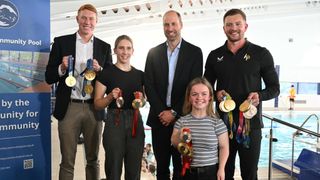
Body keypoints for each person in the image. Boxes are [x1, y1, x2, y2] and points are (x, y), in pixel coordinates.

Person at [204, 8, 280, 180]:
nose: (233, 28)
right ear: (224, 28)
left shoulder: (261, 53)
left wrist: (259, 96)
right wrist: (215, 93)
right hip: (223, 127)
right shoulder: (214, 55)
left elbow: (274, 88)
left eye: (238, 24)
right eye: (229, 25)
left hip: (250, 126)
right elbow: (205, 88)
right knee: (223, 173)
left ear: (245, 26)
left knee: (249, 174)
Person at [45, 4, 112, 180]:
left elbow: (111, 81)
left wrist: (101, 70)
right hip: (69, 107)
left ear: (96, 22)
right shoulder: (61, 42)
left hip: (94, 108)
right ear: (77, 19)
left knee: (93, 159)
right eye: (83, 18)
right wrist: (61, 67)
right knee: (67, 161)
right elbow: (49, 76)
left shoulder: (105, 47)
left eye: (91, 19)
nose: (87, 22)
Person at [144, 10, 203, 180]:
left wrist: (174, 112)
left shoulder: (194, 52)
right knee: (161, 167)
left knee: (181, 167)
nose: (170, 28)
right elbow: (149, 85)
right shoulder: (153, 53)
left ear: (181, 25)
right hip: (159, 118)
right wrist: (162, 111)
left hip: (183, 118)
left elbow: (193, 87)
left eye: (173, 24)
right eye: (166, 24)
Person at [94, 35, 145, 180]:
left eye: (128, 48)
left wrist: (141, 100)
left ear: (133, 51)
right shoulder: (106, 73)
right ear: (115, 50)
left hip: (135, 121)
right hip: (114, 120)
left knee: (134, 168)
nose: (125, 52)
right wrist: (110, 97)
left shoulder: (140, 75)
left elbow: (144, 101)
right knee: (113, 167)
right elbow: (97, 104)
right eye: (121, 48)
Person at [171, 77, 229, 180]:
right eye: (194, 94)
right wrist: (180, 135)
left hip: (210, 173)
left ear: (210, 97)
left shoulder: (217, 123)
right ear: (189, 97)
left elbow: (224, 147)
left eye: (204, 94)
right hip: (187, 173)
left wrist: (221, 169)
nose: (199, 97)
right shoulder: (181, 122)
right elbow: (174, 143)